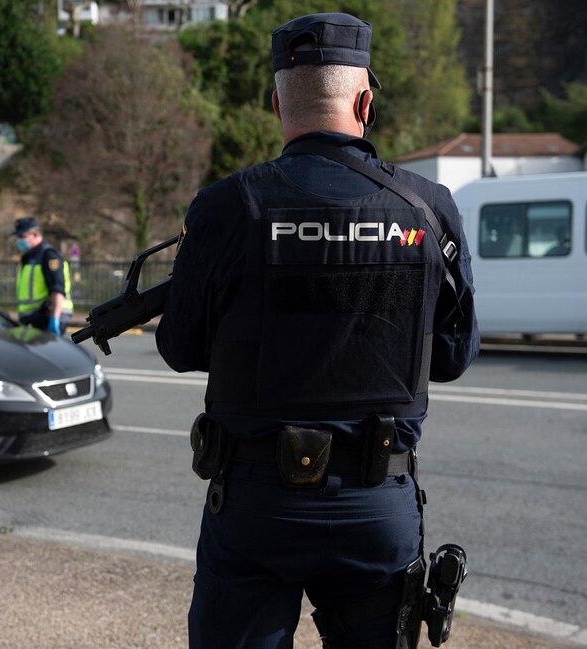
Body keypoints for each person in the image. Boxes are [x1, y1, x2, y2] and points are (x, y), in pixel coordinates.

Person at [155, 12, 479, 649]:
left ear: (277, 102)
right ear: (364, 102)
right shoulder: (426, 208)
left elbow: (178, 347)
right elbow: (450, 356)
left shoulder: (223, 207)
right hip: (375, 505)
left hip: (255, 509)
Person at [13, 216, 74, 335]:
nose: (18, 240)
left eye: (22, 236)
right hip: (34, 319)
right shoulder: (29, 257)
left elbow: (57, 289)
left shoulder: (48, 256)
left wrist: (54, 319)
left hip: (46, 318)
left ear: (35, 234)